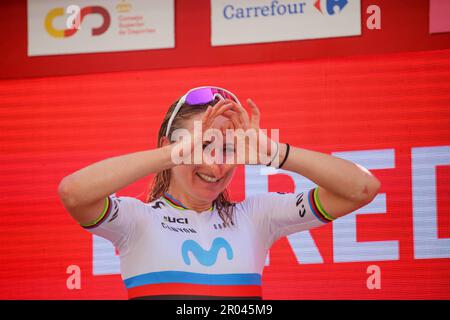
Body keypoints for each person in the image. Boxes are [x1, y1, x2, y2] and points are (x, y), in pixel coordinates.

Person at [58, 86, 381, 300]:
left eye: (228, 149)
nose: (216, 166)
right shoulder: (135, 220)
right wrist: (173, 154)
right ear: (171, 148)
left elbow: (362, 188)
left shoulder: (257, 217)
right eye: (202, 146)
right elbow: (74, 192)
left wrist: (275, 152)